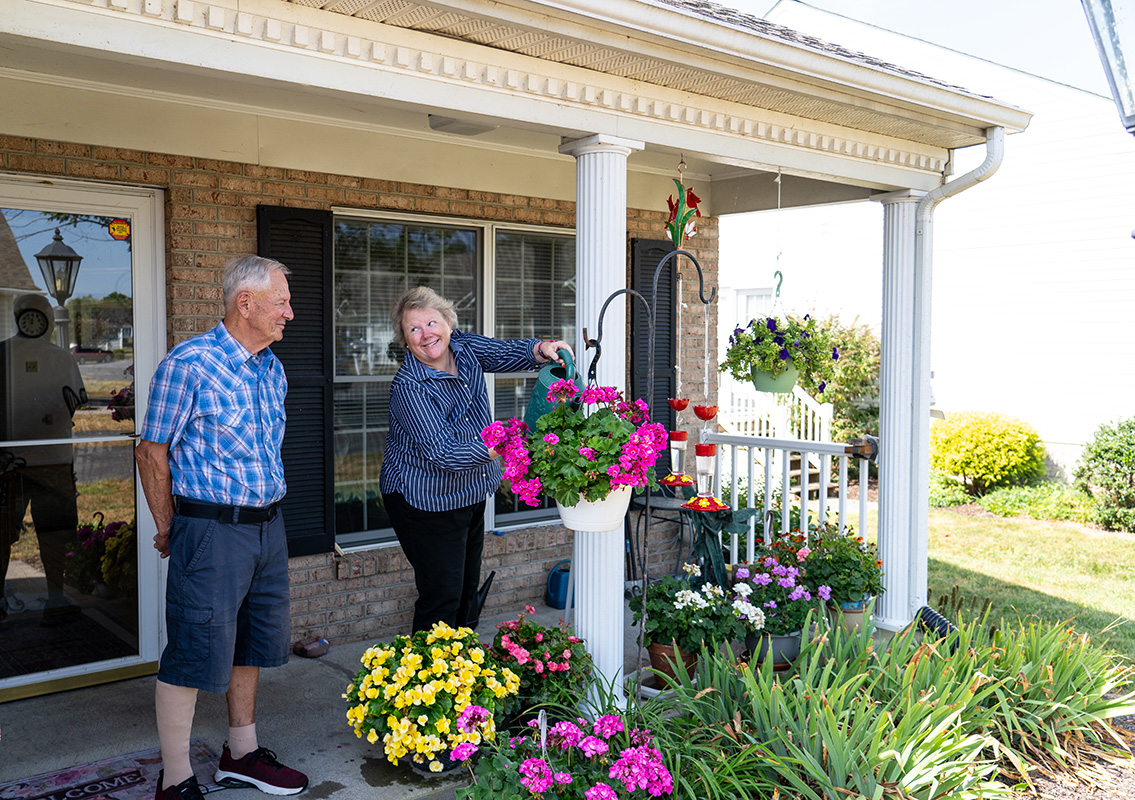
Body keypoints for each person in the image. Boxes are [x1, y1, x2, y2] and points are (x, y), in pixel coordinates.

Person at [135, 256, 307, 800]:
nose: (290, 313)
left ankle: (241, 753)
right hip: (210, 530)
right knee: (192, 648)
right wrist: (169, 526)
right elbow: (151, 451)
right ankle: (177, 778)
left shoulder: (270, 367)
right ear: (245, 303)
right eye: (280, 301)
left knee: (252, 643)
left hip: (266, 527)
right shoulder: (189, 363)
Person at [380, 286, 573, 634]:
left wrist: (542, 349)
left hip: (469, 490)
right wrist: (505, 441)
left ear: (448, 322)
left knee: (466, 591)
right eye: (414, 329)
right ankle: (430, 680)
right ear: (405, 340)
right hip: (424, 498)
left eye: (431, 322)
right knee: (441, 596)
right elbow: (444, 452)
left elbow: (505, 353)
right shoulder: (409, 387)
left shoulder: (465, 347)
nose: (426, 335)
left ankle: (463, 670)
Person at [0, 294, 86, 623]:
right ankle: (55, 596)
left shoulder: (4, 353)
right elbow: (75, 403)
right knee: (52, 530)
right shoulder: (61, 357)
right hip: (49, 460)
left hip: (14, 460)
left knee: (10, 530)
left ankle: (48, 596)